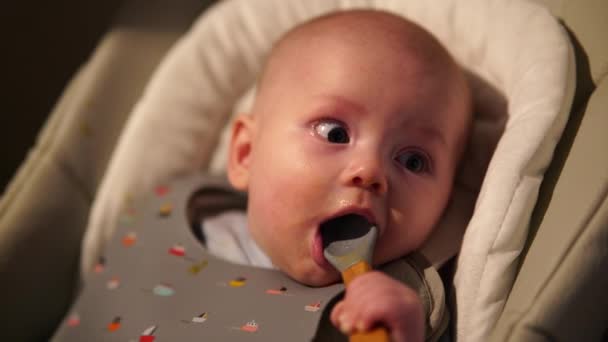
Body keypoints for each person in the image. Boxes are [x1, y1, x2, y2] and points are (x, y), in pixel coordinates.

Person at [223, 9, 472, 342]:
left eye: (413, 161)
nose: (370, 170)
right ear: (246, 154)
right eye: (334, 133)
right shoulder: (191, 218)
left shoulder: (402, 310)